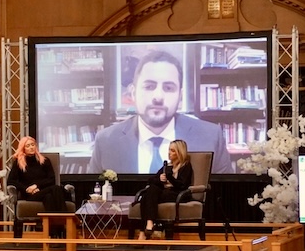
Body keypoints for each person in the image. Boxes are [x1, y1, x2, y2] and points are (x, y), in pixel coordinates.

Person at [88, 50, 233, 175]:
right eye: (149, 86)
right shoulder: (106, 141)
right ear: (133, 93)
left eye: (168, 88)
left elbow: (223, 200)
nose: (158, 97)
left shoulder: (211, 137)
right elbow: (92, 200)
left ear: (180, 97)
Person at [136, 139, 193, 240]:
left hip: (178, 194)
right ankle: (149, 224)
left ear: (179, 152)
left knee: (146, 197)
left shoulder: (186, 166)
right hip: (165, 192)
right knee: (150, 191)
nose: (169, 153)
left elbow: (182, 185)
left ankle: (143, 232)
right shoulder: (167, 166)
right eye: (169, 150)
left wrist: (169, 177)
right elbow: (151, 180)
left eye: (172, 150)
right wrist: (160, 179)